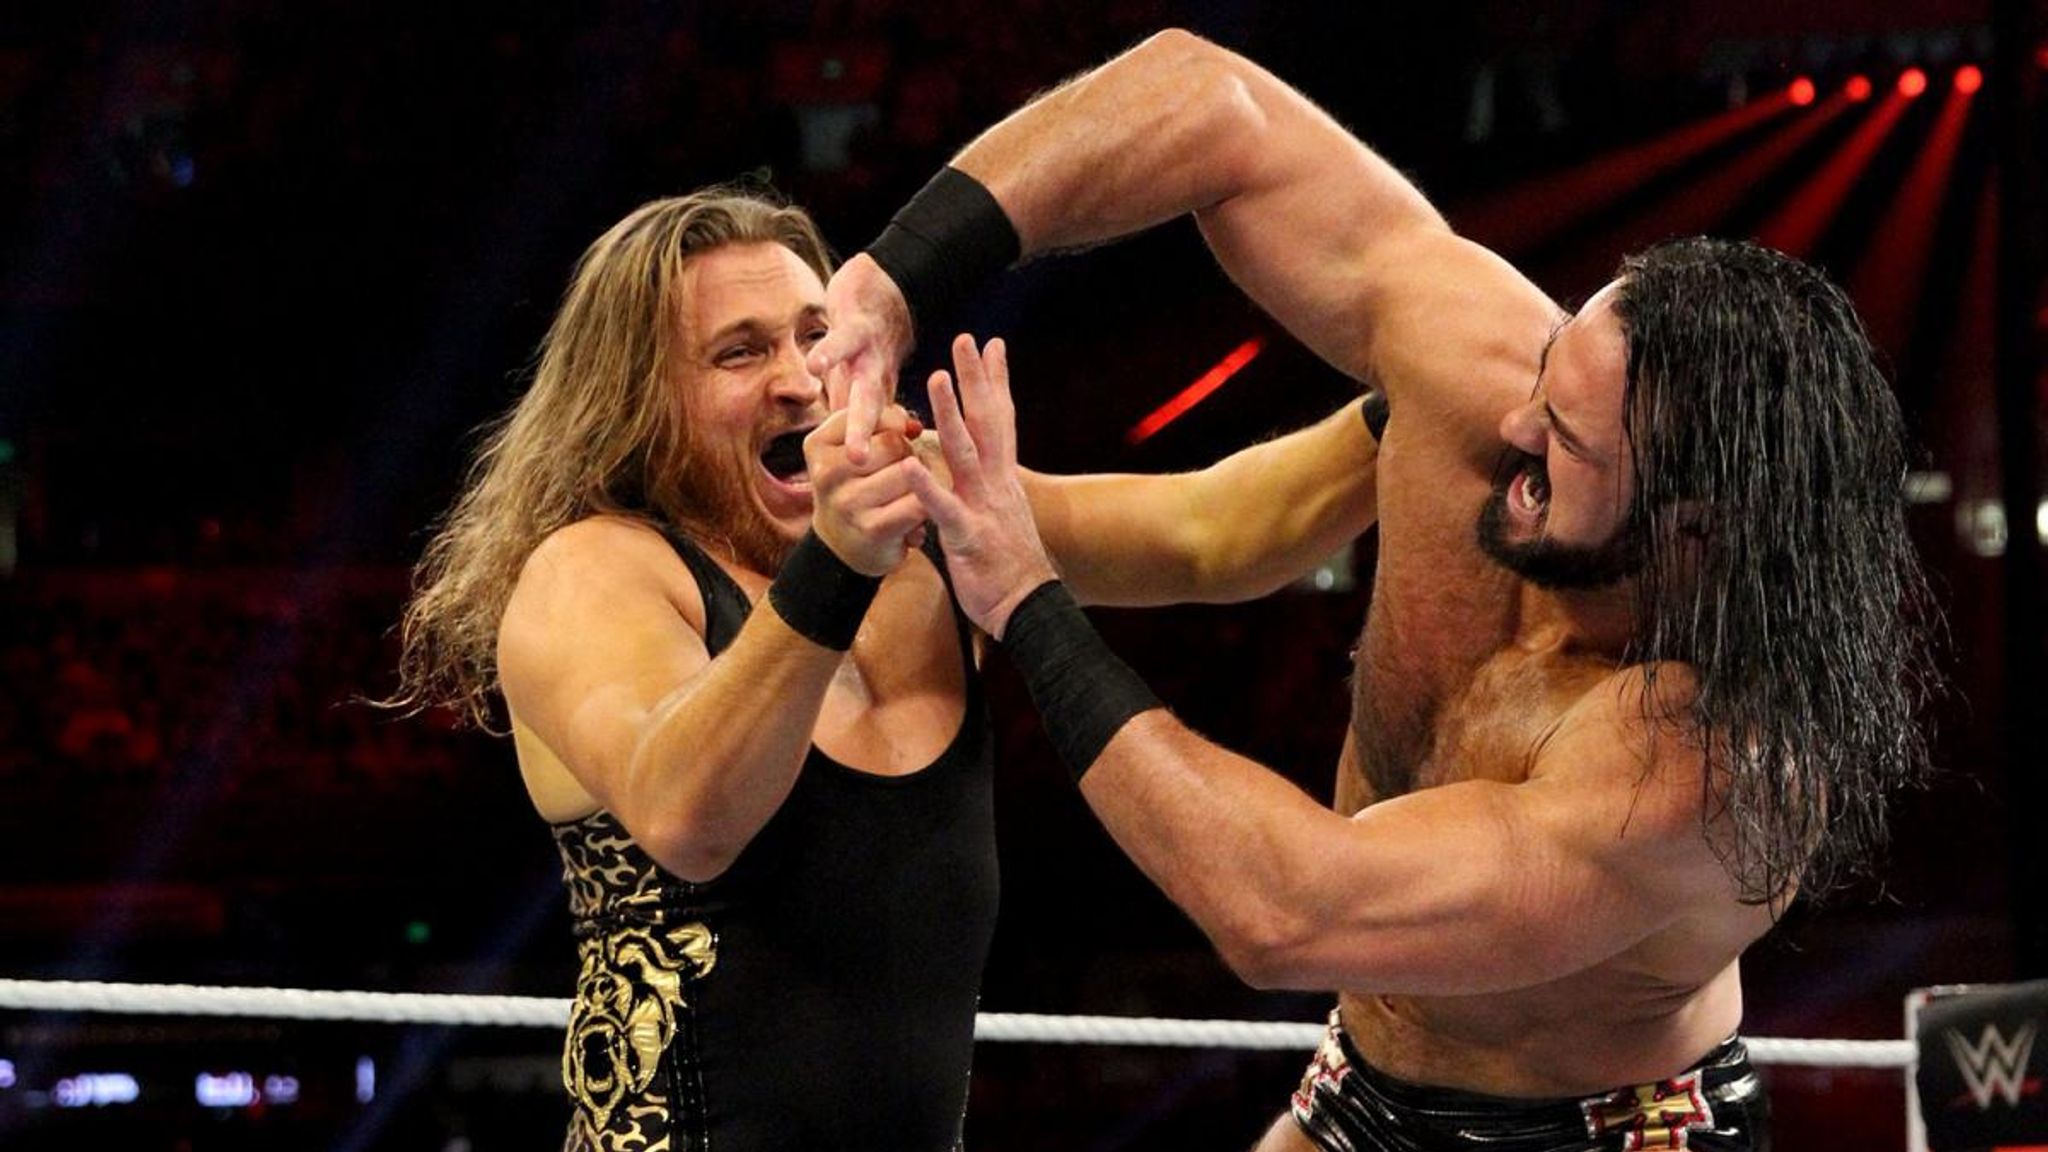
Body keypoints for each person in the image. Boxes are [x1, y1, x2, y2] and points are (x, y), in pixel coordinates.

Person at [811, 31, 1937, 1151]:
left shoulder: (1710, 762)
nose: (1514, 426)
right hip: (1358, 1081)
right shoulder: (1482, 367)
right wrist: (894, 284)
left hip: (1607, 1129)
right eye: (1546, 383)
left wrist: (1025, 600)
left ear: (1692, 527)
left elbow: (1288, 914)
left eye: (1568, 440)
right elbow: (1210, 100)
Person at [385, 186, 1379, 1150]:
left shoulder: (927, 518)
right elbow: (689, 816)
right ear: (637, 401)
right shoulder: (593, 573)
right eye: (740, 352)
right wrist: (835, 564)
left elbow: (1215, 536)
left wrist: (1416, 394)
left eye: (814, 337)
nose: (797, 379)